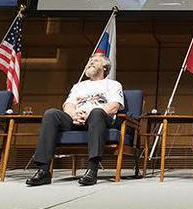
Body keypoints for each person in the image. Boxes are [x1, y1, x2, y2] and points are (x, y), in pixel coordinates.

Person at [26, 54, 124, 187]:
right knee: (51, 114)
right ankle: (43, 171)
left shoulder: (113, 84)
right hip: (76, 119)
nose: (90, 62)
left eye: (95, 61)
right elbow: (68, 105)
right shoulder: (79, 86)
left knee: (96, 112)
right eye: (89, 61)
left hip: (98, 119)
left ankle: (92, 169)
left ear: (105, 67)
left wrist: (89, 114)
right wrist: (74, 115)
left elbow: (114, 106)